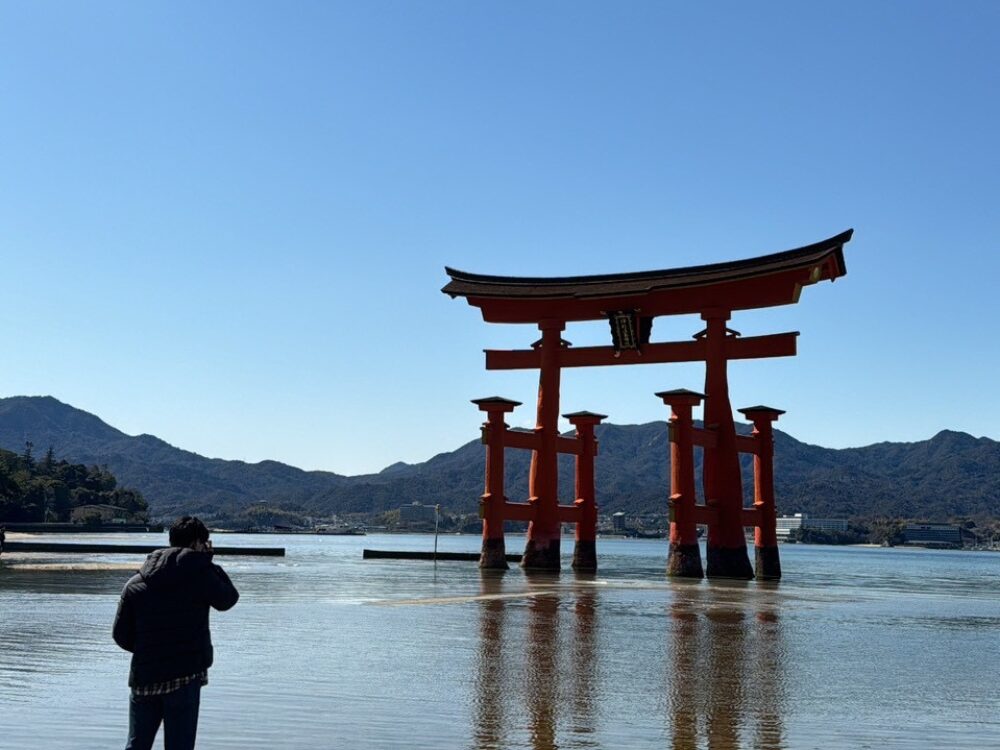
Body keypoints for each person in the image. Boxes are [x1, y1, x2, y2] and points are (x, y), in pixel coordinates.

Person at [113, 516, 239, 750]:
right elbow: (228, 599)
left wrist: (148, 650)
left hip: (145, 675)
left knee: (136, 745)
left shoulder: (135, 583)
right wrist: (207, 562)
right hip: (185, 677)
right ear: (197, 544)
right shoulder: (201, 578)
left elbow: (121, 635)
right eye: (205, 543)